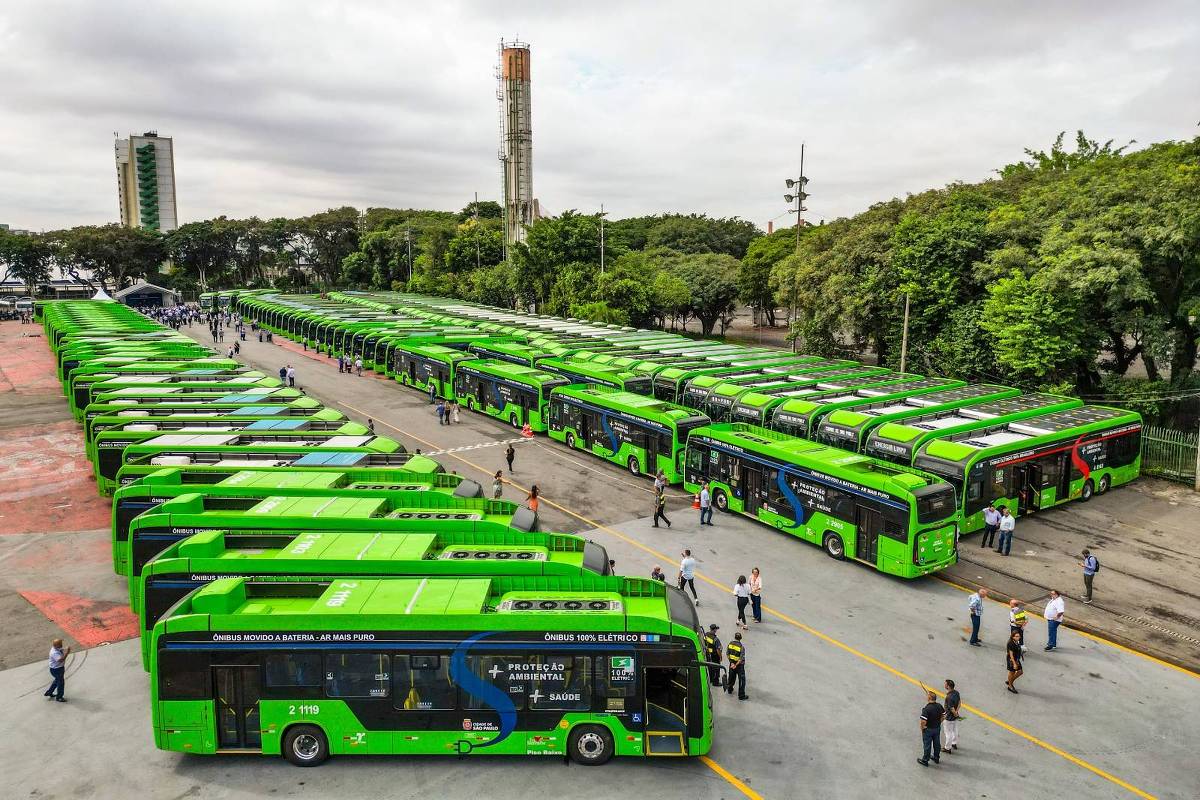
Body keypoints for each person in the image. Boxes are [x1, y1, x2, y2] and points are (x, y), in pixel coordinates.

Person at [917, 690, 944, 766]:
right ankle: (936, 757)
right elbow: (944, 715)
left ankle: (925, 760)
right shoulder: (939, 706)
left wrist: (922, 728)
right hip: (937, 728)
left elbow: (923, 722)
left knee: (927, 745)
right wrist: (939, 722)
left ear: (929, 698)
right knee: (937, 743)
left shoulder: (927, 709)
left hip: (928, 729)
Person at [725, 633, 747, 700]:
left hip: (732, 664)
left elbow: (727, 654)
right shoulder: (741, 647)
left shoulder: (730, 644)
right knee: (741, 680)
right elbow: (740, 659)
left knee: (731, 677)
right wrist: (736, 665)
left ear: (734, 637)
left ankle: (729, 689)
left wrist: (731, 663)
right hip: (739, 666)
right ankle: (741, 695)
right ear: (741, 638)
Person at [942, 680, 961, 754]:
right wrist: (957, 712)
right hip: (954, 717)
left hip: (948, 717)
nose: (944, 685)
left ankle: (947, 748)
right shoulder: (956, 693)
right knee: (955, 730)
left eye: (945, 684)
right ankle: (954, 743)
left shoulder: (949, 697)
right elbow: (959, 703)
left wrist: (955, 713)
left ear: (948, 686)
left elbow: (951, 708)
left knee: (948, 733)